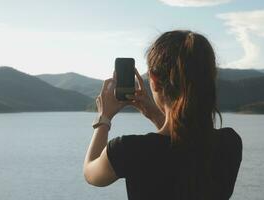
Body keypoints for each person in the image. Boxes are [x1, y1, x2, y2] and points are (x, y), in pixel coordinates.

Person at [83, 30, 242, 200]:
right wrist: (154, 114)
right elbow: (180, 148)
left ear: (154, 80)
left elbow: (91, 173)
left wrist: (104, 118)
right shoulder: (229, 143)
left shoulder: (130, 150)